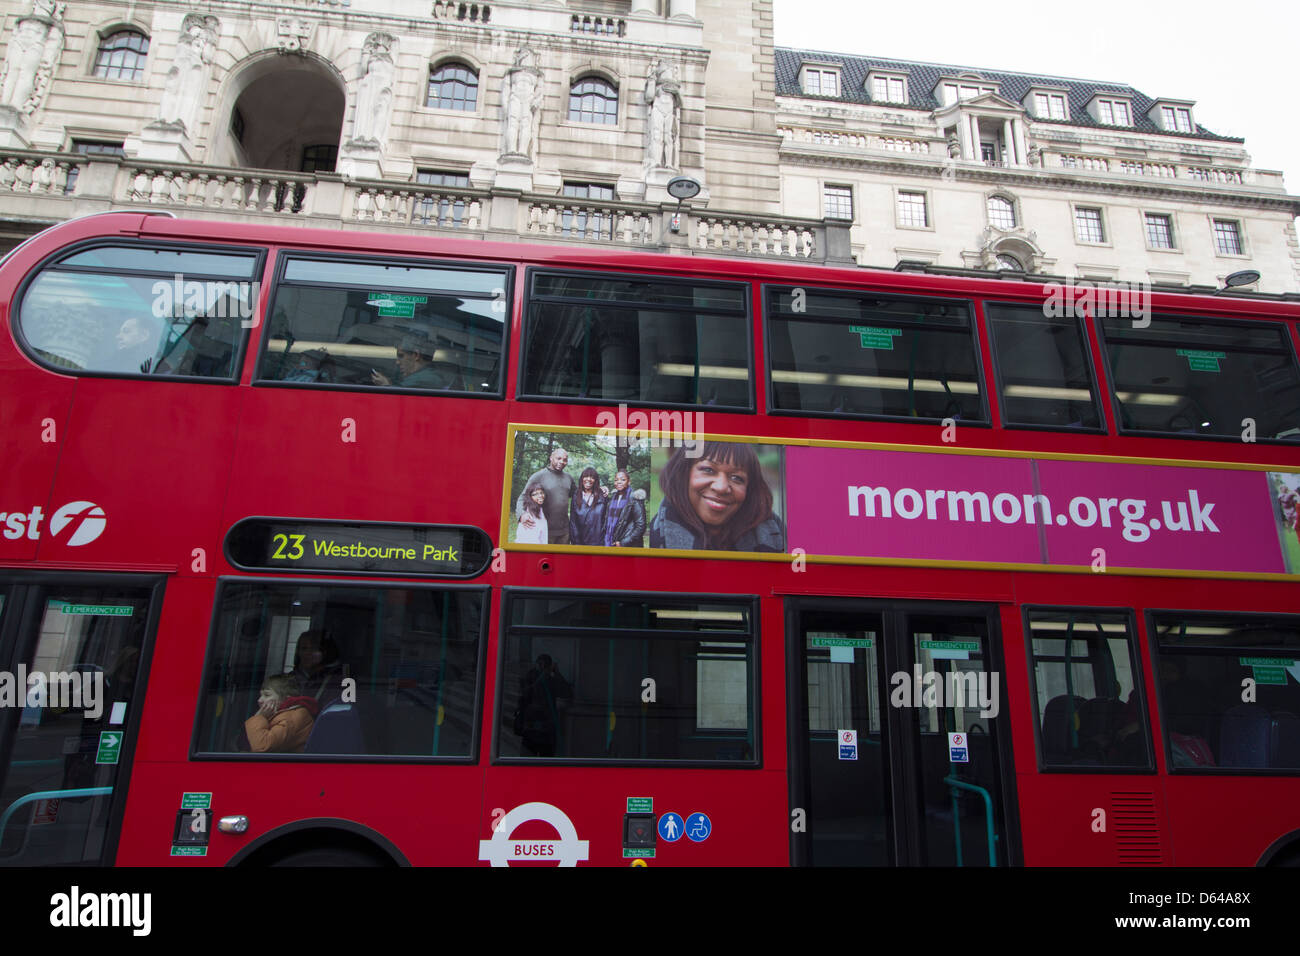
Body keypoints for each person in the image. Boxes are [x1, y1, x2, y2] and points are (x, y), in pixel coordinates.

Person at [649, 441, 784, 552]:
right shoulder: (647, 540)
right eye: (708, 470)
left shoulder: (779, 535)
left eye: (737, 478)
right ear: (684, 474)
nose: (721, 487)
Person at [244, 674, 320, 753]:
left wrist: (259, 717)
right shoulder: (279, 713)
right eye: (261, 695)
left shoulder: (291, 716)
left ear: (286, 698)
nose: (259, 700)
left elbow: (262, 746)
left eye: (267, 695)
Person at [516, 447, 576, 545]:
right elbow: (523, 497)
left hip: (564, 531)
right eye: (558, 458)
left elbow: (579, 494)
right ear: (551, 458)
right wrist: (521, 514)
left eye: (565, 460)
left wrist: (599, 489)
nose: (562, 462)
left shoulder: (568, 477)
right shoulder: (539, 476)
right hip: (545, 529)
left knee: (562, 559)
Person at [515, 654, 571, 756]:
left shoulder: (551, 680)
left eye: (543, 664)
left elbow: (566, 692)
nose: (541, 667)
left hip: (545, 731)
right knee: (527, 762)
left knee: (544, 762)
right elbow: (526, 693)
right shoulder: (532, 676)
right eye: (540, 664)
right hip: (532, 729)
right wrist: (543, 676)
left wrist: (557, 674)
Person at [370, 335, 458, 389]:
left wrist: (386, 385)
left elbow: (399, 397)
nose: (397, 362)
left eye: (401, 356)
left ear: (416, 355)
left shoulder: (426, 379)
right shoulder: (425, 377)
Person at [602, 469, 646, 548]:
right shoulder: (612, 499)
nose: (619, 482)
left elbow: (640, 525)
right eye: (616, 480)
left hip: (627, 545)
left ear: (629, 482)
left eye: (623, 479)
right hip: (611, 543)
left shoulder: (635, 498)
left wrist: (623, 543)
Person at [569, 467, 607, 545]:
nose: (588, 479)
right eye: (586, 476)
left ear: (595, 480)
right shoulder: (576, 496)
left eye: (592, 477)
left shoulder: (602, 497)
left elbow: (606, 521)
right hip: (580, 542)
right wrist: (575, 542)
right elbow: (573, 523)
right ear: (581, 479)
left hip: (598, 542)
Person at [516, 479, 548, 544]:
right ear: (529, 497)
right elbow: (531, 539)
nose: (540, 496)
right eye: (535, 494)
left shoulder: (540, 509)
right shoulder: (529, 515)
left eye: (541, 493)